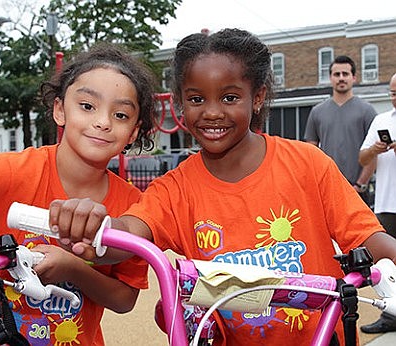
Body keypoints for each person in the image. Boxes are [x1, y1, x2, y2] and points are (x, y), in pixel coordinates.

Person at [49, 29, 396, 345]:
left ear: (257, 97)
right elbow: (128, 235)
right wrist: (95, 228)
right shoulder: (175, 189)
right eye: (197, 99)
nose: (212, 113)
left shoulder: (307, 163)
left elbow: (369, 238)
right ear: (180, 104)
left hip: (321, 337)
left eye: (229, 98)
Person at [0, 42, 157, 345]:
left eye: (121, 115)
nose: (103, 121)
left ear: (134, 132)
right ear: (60, 109)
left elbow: (125, 299)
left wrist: (74, 269)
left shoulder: (132, 207)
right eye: (87, 106)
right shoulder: (8, 175)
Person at [304, 55, 377, 204]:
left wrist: (360, 185)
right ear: (330, 78)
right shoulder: (317, 111)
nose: (341, 78)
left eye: (346, 74)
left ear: (354, 78)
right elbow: (310, 151)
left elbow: (374, 152)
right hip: (326, 189)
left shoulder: (367, 110)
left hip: (357, 190)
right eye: (337, 74)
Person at [359, 73, 396, 334]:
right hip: (386, 201)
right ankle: (390, 315)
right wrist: (376, 149)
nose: (395, 98)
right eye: (393, 93)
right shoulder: (381, 120)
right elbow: (362, 158)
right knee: (385, 265)